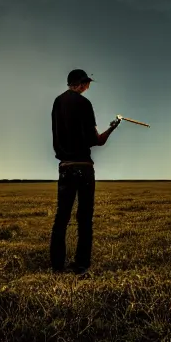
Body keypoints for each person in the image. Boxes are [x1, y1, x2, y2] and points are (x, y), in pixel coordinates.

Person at [49, 68, 120, 276]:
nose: (88, 87)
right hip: (84, 168)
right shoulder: (84, 104)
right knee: (85, 218)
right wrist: (113, 126)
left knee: (61, 217)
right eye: (87, 83)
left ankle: (57, 266)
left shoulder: (57, 102)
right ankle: (81, 266)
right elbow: (96, 141)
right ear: (80, 83)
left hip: (65, 167)